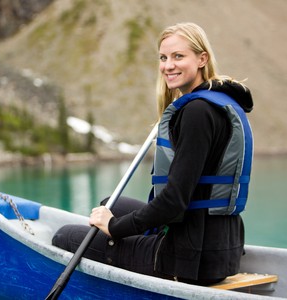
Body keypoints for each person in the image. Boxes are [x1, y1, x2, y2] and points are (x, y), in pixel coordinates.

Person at [52, 22, 254, 286]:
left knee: (64, 236)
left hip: (187, 259)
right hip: (220, 248)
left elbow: (173, 202)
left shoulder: (197, 113)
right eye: (163, 57)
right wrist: (114, 220)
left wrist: (115, 228)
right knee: (109, 203)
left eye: (178, 56)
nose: (168, 65)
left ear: (202, 58)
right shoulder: (221, 101)